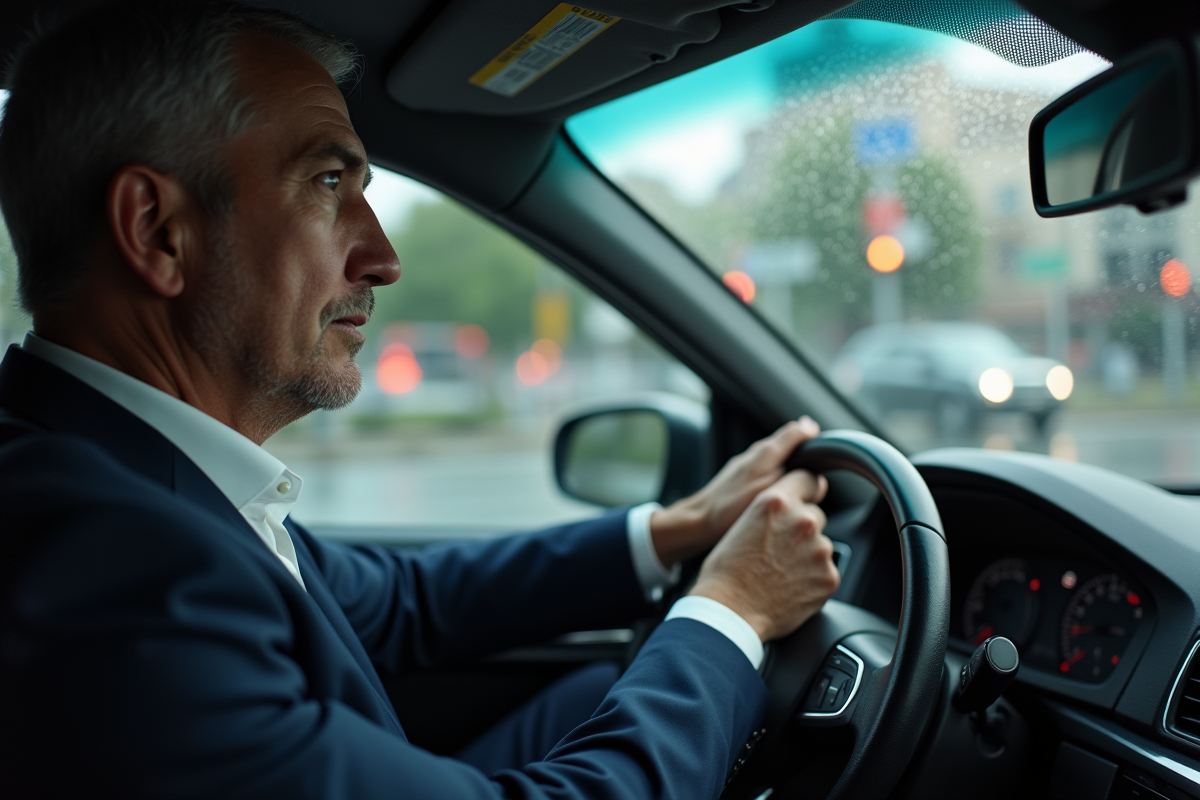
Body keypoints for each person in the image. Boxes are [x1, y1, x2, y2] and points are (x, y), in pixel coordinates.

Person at [0, 2, 840, 798]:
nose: (384, 256)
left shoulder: (121, 479)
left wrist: (676, 529)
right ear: (157, 230)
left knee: (592, 686)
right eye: (329, 182)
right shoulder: (120, 573)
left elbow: (403, 601)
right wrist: (731, 610)